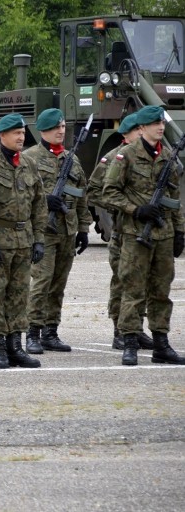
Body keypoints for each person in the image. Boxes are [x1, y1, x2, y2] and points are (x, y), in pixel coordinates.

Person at [101, 105, 185, 366]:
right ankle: (129, 342)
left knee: (161, 291)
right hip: (134, 234)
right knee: (133, 290)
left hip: (164, 234)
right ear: (143, 128)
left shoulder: (168, 156)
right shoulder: (125, 156)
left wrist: (180, 231)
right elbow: (108, 193)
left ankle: (161, 343)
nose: (160, 127)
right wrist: (136, 210)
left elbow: (174, 198)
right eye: (154, 123)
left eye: (161, 123)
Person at [0, 113, 46, 369]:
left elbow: (39, 203)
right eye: (16, 133)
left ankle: (16, 346)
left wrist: (39, 239)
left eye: (23, 133)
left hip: (24, 241)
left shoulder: (28, 163)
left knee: (19, 295)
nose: (21, 137)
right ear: (2, 135)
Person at [23, 109, 92, 354]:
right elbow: (19, 195)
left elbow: (82, 195)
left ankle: (50, 332)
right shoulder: (29, 158)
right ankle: (33, 332)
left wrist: (83, 229)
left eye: (62, 126)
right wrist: (44, 200)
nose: (60, 131)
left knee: (58, 283)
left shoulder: (71, 159)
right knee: (41, 282)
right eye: (55, 128)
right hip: (42, 232)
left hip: (67, 229)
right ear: (42, 130)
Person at [86, 114, 153, 350]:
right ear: (126, 134)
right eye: (137, 131)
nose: (141, 134)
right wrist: (122, 207)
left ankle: (135, 327)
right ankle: (119, 330)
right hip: (121, 232)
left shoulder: (148, 157)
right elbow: (94, 192)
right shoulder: (112, 158)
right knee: (122, 282)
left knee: (141, 282)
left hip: (143, 231)